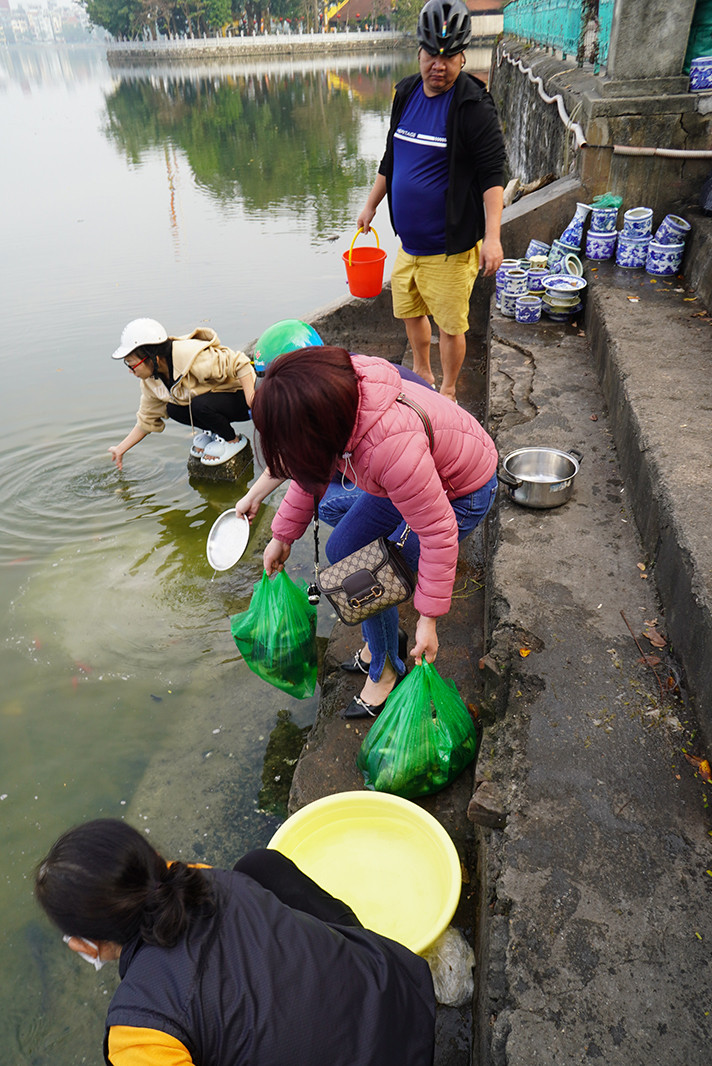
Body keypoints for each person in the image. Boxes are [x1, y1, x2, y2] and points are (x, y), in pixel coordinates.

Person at [35, 818, 435, 1066]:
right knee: (260, 865)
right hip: (406, 1001)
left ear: (84, 945)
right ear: (155, 859)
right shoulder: (204, 877)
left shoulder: (137, 1028)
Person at [247, 346, 498, 719]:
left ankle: (385, 670)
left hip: (461, 491)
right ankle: (383, 643)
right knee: (346, 548)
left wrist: (428, 620)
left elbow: (438, 532)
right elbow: (311, 469)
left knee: (368, 578)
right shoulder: (339, 403)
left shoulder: (389, 446)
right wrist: (282, 536)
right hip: (408, 478)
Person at [356, 0, 506, 402]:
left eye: (448, 57)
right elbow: (392, 155)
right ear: (419, 52)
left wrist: (492, 237)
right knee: (410, 310)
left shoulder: (473, 105)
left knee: (451, 326)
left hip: (450, 247)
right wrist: (371, 204)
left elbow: (493, 175)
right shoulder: (405, 93)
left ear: (461, 57)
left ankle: (450, 389)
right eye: (431, 56)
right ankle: (421, 371)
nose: (438, 66)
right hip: (410, 242)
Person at [108, 318, 257, 471]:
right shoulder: (151, 381)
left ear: (153, 357)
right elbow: (147, 419)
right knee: (172, 409)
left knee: (199, 405)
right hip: (212, 404)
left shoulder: (191, 356)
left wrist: (252, 398)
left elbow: (240, 362)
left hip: (240, 400)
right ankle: (214, 433)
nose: (131, 371)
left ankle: (232, 441)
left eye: (132, 365)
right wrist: (121, 448)